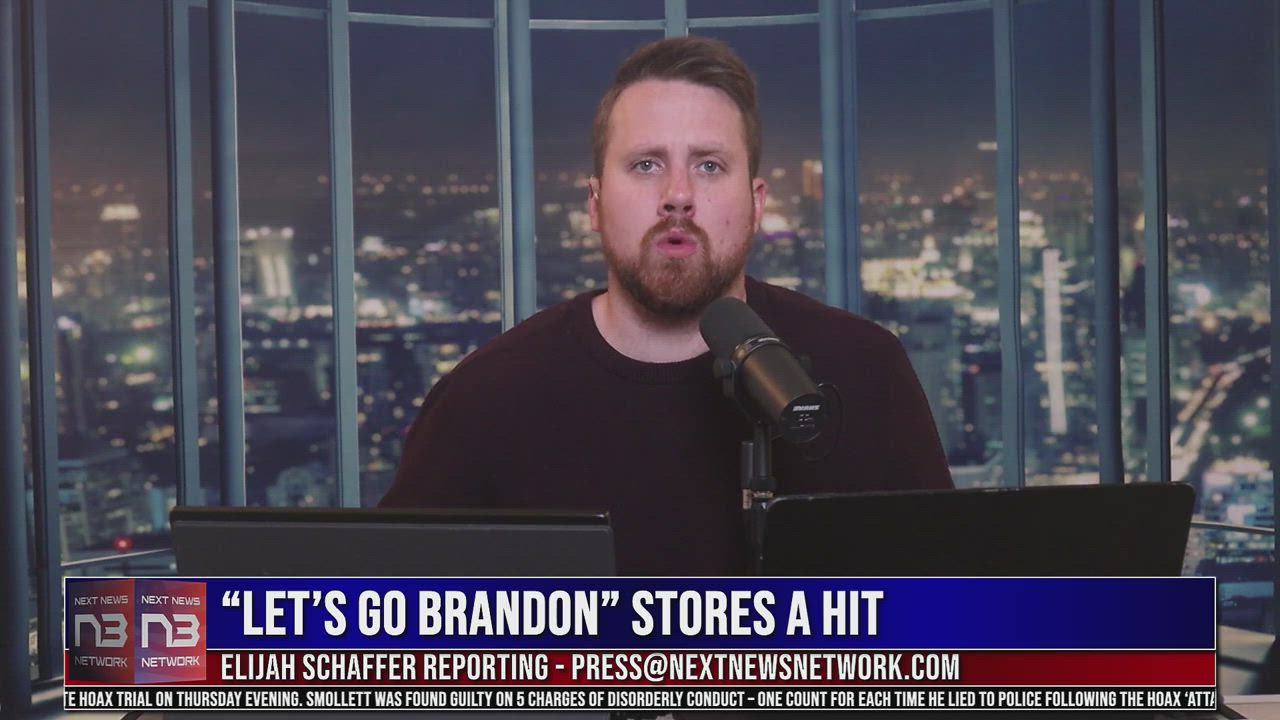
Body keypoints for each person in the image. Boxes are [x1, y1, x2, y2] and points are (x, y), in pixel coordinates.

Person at [380, 36, 952, 575]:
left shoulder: (866, 369)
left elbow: (957, 613)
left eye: (709, 166)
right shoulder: (485, 397)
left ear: (756, 204)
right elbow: (385, 620)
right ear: (595, 204)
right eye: (646, 164)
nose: (677, 195)